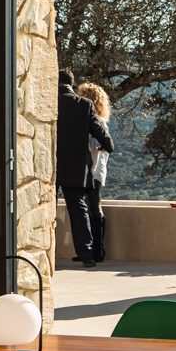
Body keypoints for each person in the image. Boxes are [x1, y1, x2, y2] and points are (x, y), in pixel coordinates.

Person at [56, 70, 114, 268]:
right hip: (76, 165)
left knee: (46, 209)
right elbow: (98, 129)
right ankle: (87, 254)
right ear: (71, 84)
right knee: (79, 209)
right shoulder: (83, 104)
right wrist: (109, 145)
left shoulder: (49, 101)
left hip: (50, 163)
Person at [76, 83, 115, 265]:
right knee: (89, 208)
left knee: (93, 208)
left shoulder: (97, 122)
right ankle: (90, 249)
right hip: (90, 169)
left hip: (95, 171)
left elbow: (103, 146)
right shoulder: (95, 120)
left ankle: (98, 250)